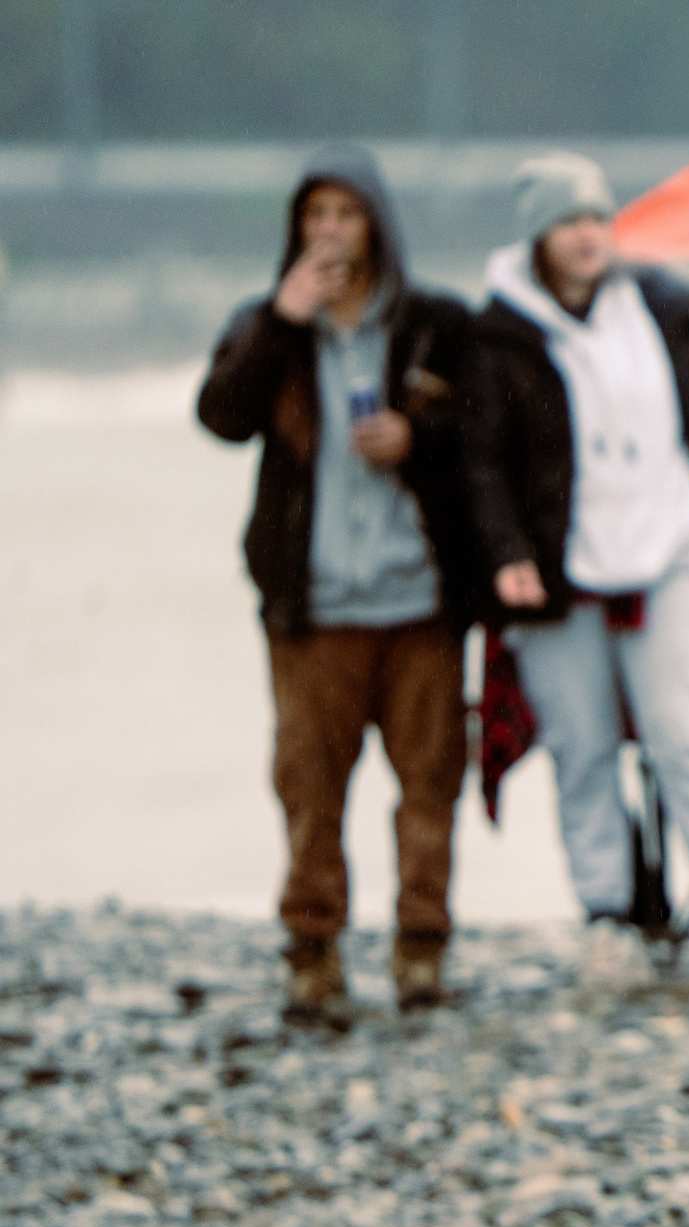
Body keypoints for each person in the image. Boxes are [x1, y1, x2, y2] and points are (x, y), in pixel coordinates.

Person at [464, 152, 689, 987]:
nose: (586, 235)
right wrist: (507, 558)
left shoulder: (663, 309)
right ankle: (608, 917)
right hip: (558, 576)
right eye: (568, 221)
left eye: (598, 218)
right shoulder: (497, 333)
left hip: (670, 554)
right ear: (538, 237)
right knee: (583, 747)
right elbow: (482, 462)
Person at [196, 144, 480, 1022]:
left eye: (344, 214)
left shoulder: (434, 323)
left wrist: (417, 440)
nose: (328, 232)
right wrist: (282, 320)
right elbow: (220, 416)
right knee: (309, 785)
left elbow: (486, 436)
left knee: (430, 783)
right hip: (311, 605)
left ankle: (420, 951)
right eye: (314, 216)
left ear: (376, 225)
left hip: (420, 598)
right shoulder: (269, 326)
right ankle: (312, 954)